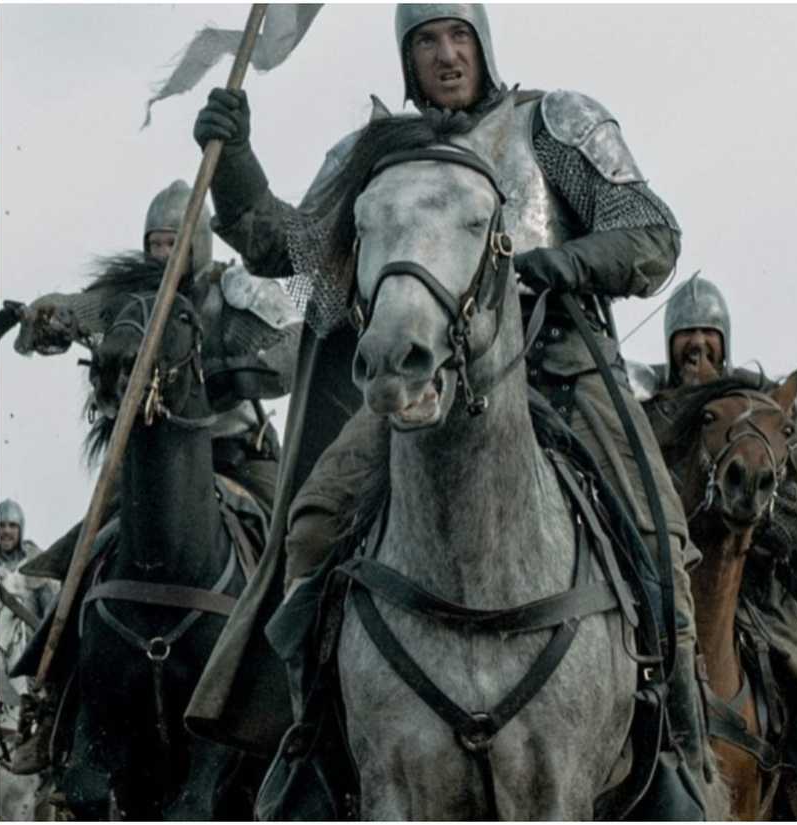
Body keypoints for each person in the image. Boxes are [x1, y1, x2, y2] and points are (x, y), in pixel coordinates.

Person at [188, 1, 714, 806]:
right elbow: (287, 249)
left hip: (558, 376)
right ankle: (312, 726)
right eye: (425, 39)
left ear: (484, 43)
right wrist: (237, 164)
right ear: (407, 57)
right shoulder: (381, 157)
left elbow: (650, 234)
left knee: (657, 533)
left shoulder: (552, 123)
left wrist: (555, 266)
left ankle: (676, 738)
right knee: (316, 521)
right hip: (424, 383)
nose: (444, 54)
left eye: (457, 35)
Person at [1, 179, 298, 774]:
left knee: (291, 550)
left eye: (174, 244)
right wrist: (39, 319)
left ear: (199, 247)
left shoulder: (230, 293)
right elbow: (67, 315)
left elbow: (288, 352)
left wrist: (222, 373)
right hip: (145, 460)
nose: (164, 256)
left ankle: (298, 701)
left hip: (233, 454)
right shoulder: (129, 299)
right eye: (156, 244)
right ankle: (57, 695)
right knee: (87, 554)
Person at [642, 275, 797, 817]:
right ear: (670, 342)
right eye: (687, 334)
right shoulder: (652, 407)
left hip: (750, 588)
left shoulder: (756, 410)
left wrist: (762, 521)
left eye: (708, 334)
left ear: (725, 340)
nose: (698, 344)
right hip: (659, 575)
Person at [0, 499, 59, 821]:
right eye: (1, 525)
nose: (6, 532)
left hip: (26, 655)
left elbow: (51, 616)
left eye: (12, 525)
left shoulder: (36, 564)